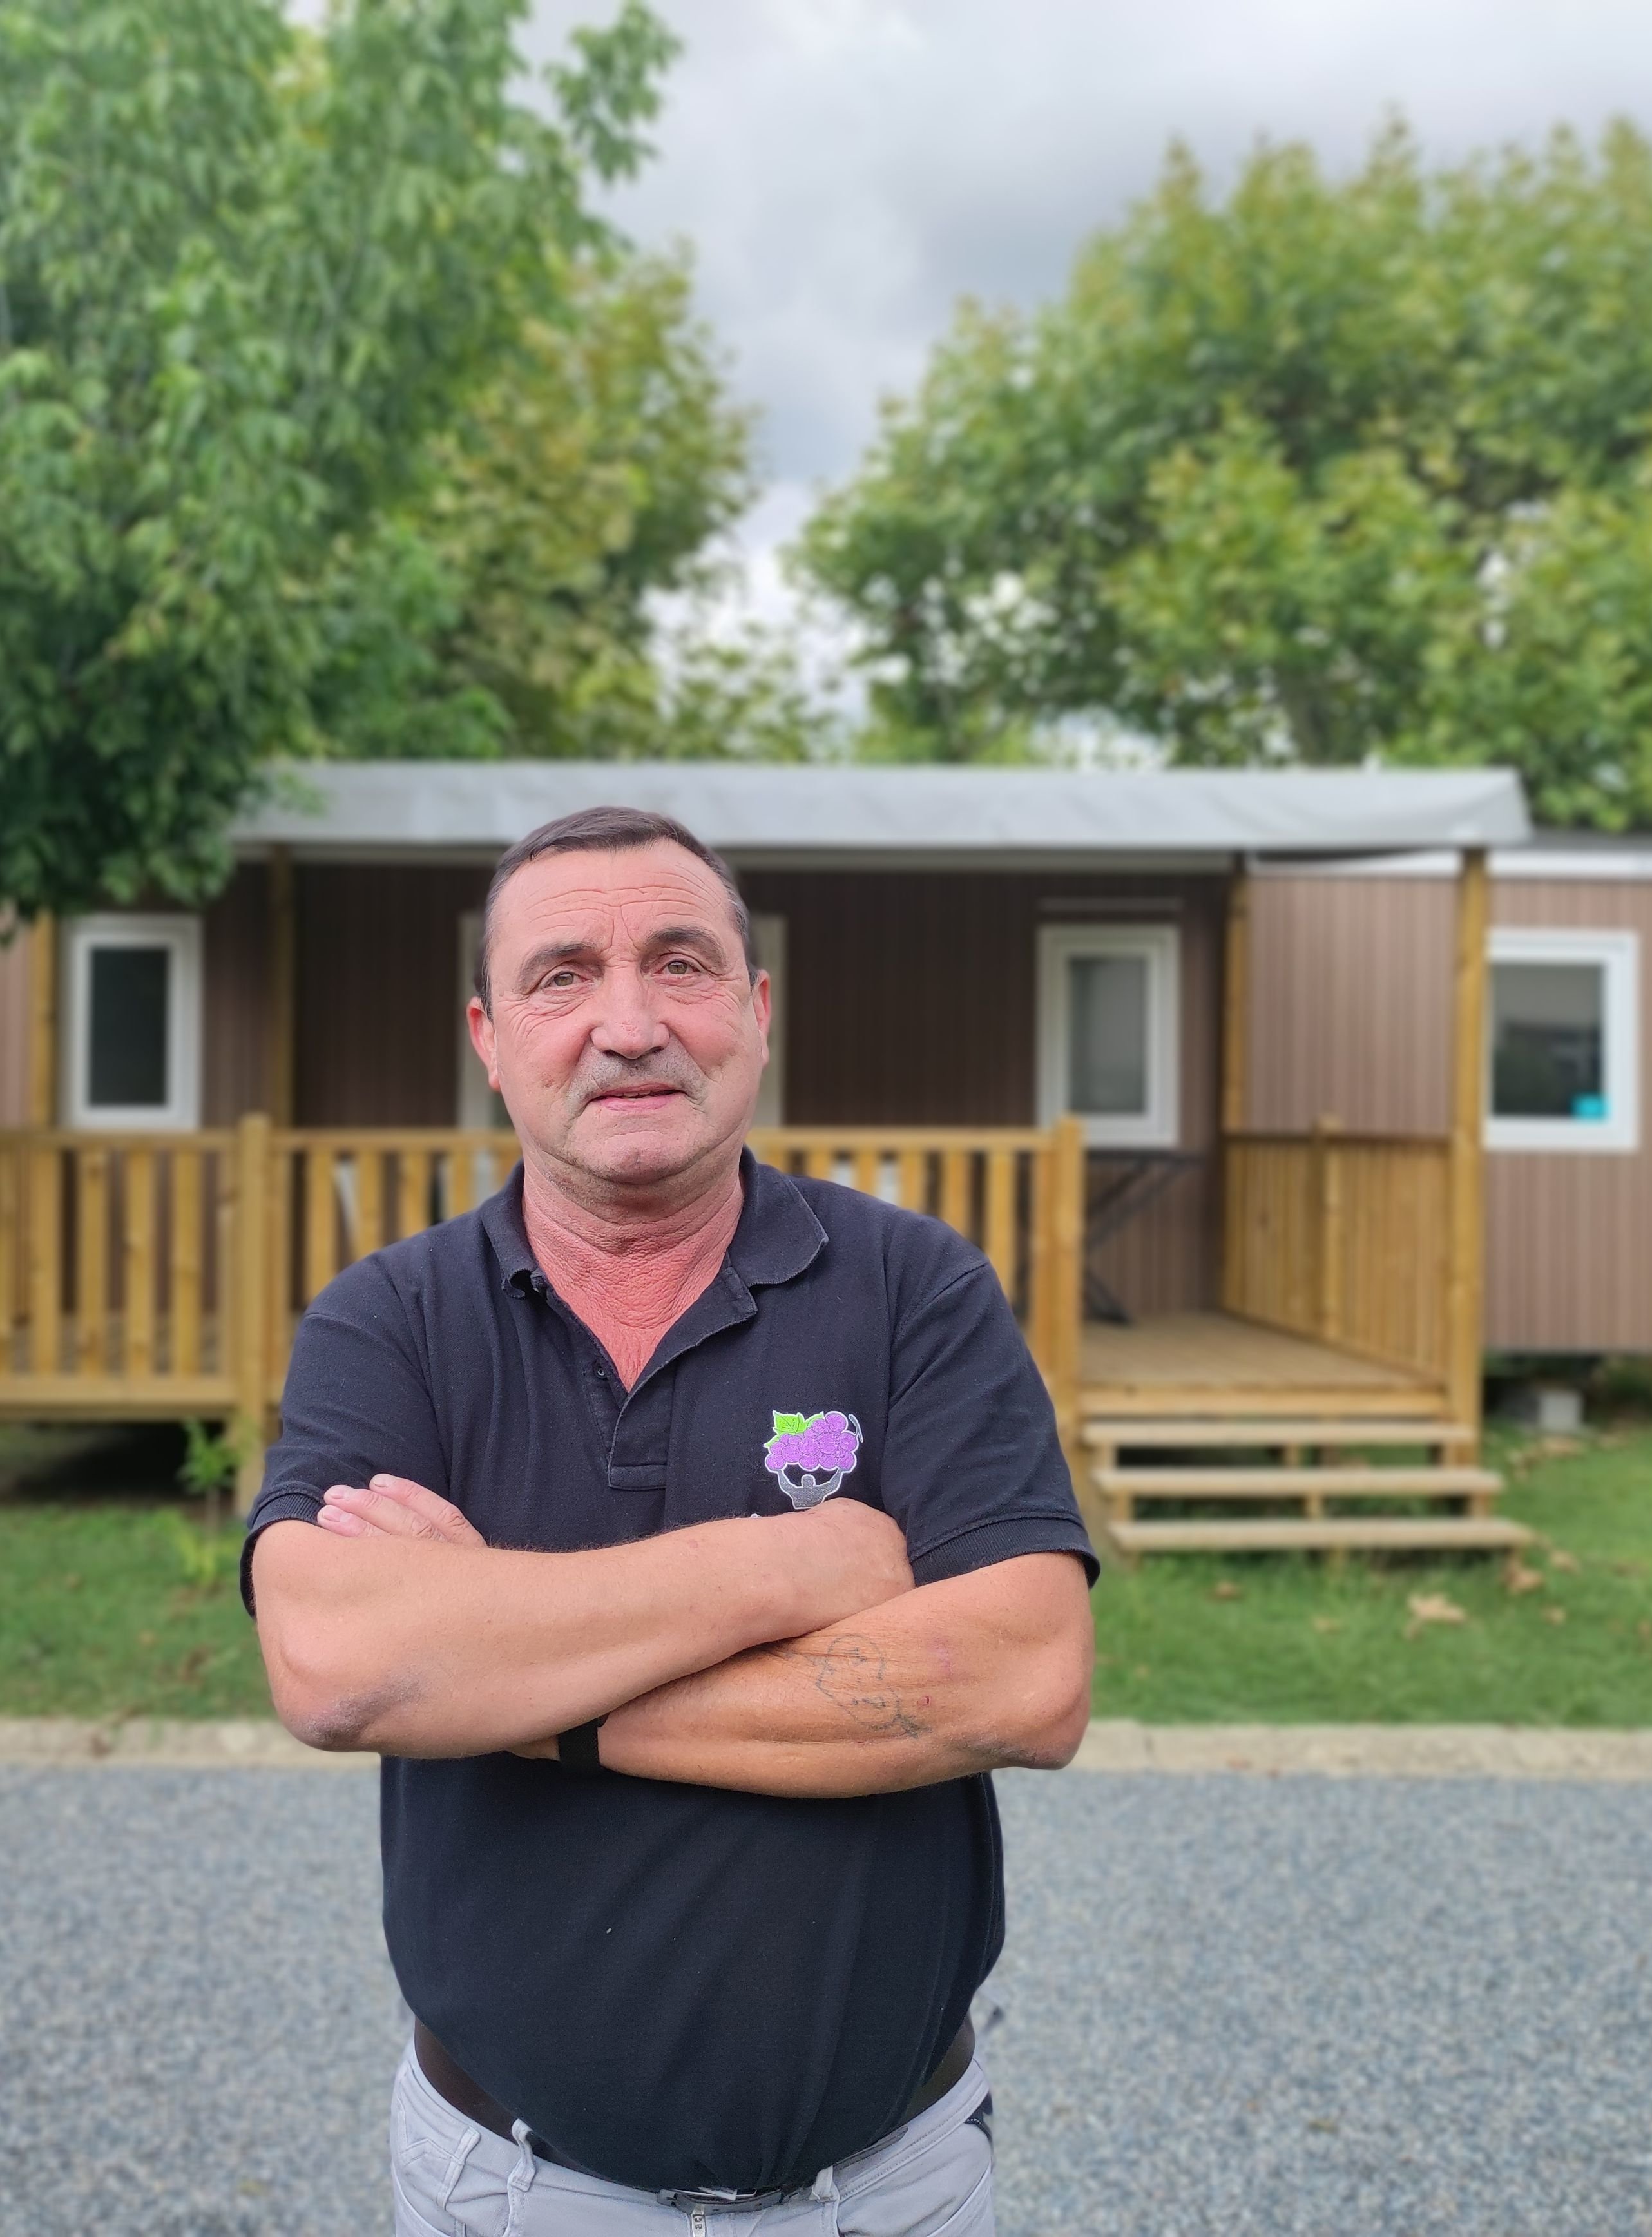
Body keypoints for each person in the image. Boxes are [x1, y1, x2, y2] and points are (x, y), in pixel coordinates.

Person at [242, 805, 1099, 2234]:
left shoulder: (912, 1292)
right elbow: (335, 1663)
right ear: (490, 1034)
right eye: (563, 975)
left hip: (892, 2190)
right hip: (507, 2188)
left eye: (681, 964)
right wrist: (798, 1561)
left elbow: (1026, 1677)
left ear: (755, 1013)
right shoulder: (391, 1319)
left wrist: (516, 1685)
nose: (627, 1022)